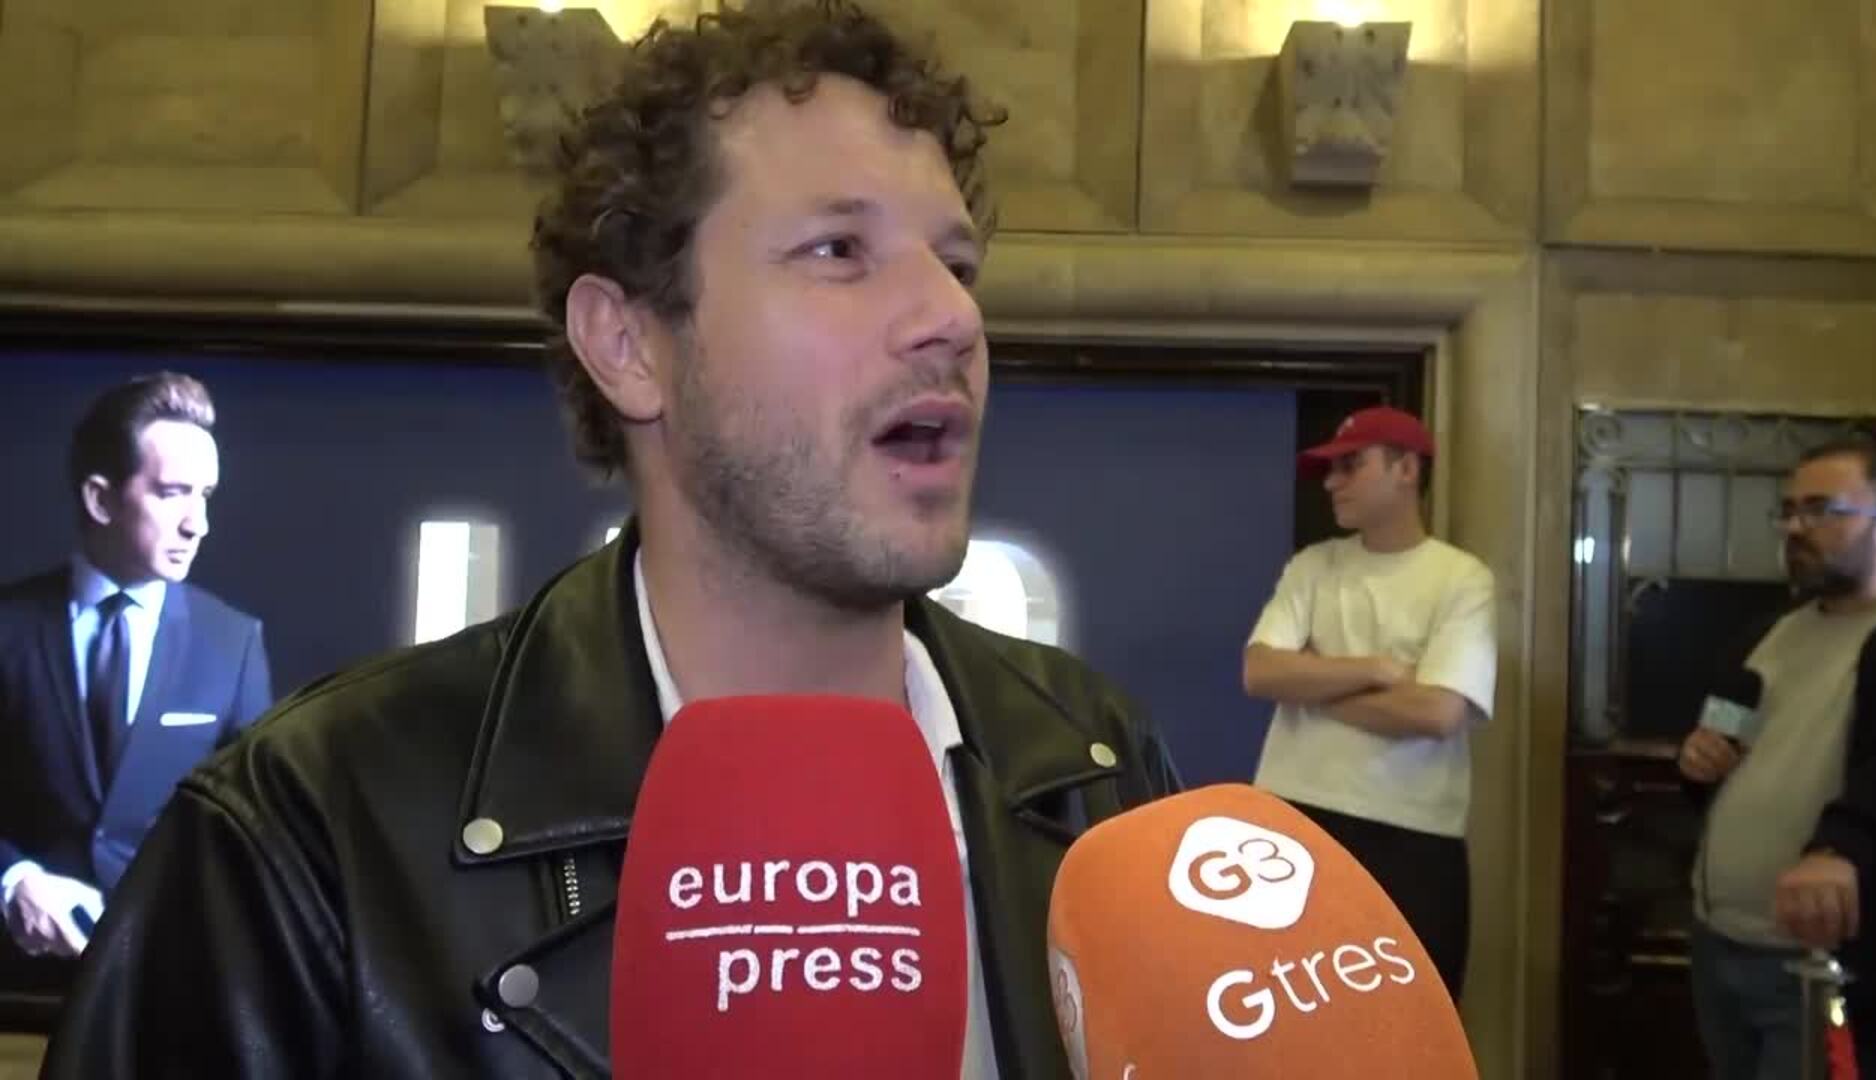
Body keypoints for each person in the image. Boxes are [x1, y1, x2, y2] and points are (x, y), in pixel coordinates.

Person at [42, 3, 1179, 1076]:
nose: (953, 317)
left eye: (959, 265)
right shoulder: (312, 828)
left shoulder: (1091, 766)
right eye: (839, 249)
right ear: (629, 346)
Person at [0, 372, 271, 977]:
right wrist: (11, 878)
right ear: (100, 500)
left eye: (206, 495)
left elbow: (254, 831)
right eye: (173, 493)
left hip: (165, 983)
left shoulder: (233, 642)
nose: (198, 523)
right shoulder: (8, 627)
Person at [1678, 440, 1876, 1080]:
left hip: (1830, 963)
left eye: (1820, 510)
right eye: (1787, 511)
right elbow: (1724, 737)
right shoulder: (1768, 633)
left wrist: (1839, 848)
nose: (1793, 528)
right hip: (1720, 940)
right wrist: (1697, 762)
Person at [1241, 405, 1497, 1000]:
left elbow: (1438, 713)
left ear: (1406, 469)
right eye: (1330, 470)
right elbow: (1260, 672)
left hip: (1412, 832)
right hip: (1295, 819)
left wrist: (1312, 687)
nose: (1333, 482)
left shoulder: (1462, 579)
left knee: (1410, 1019)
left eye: (1351, 465)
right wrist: (1375, 671)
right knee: (1288, 1018)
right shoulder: (1313, 567)